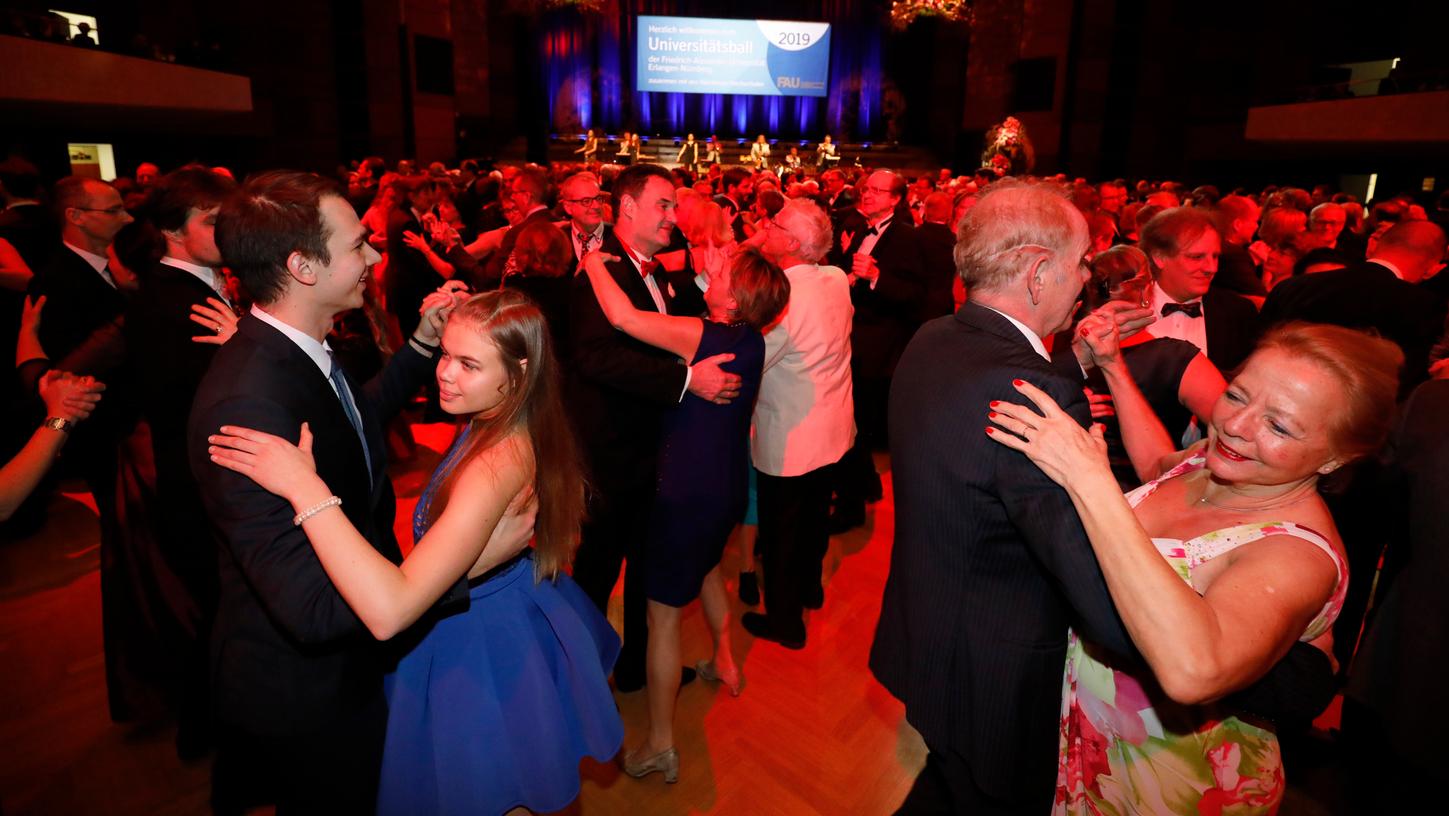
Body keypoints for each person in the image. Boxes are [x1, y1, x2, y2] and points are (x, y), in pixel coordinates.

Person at [207, 288, 623, 815]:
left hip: (482, 639)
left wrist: (303, 488)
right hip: (487, 612)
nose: (445, 373)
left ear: (518, 373)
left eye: (469, 364)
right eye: (446, 354)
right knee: (502, 783)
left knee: (494, 787)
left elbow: (388, 611)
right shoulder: (491, 419)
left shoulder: (495, 464)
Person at [985, 321, 1402, 814]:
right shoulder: (1212, 461)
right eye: (1236, 395)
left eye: (1279, 426)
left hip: (1173, 785)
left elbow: (1192, 671)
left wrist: (1090, 481)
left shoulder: (1296, 553)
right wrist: (1115, 368)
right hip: (1091, 748)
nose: (1237, 425)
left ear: (1336, 458)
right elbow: (1156, 466)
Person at [189, 171, 472, 814]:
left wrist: (421, 345)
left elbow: (352, 421)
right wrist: (464, 559)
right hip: (308, 690)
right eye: (357, 245)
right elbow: (310, 607)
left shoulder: (293, 348)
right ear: (303, 267)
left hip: (346, 665)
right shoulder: (247, 404)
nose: (373, 257)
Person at [580, 243, 787, 781]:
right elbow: (699, 297)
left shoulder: (706, 337)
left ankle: (660, 744)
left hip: (686, 493)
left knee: (662, 620)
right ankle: (724, 660)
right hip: (725, 486)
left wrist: (593, 262)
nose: (714, 271)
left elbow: (623, 317)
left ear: (735, 300)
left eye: (724, 273)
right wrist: (706, 275)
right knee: (710, 567)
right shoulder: (750, 338)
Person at [566, 163, 734, 693]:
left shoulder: (651, 270)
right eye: (663, 205)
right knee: (597, 572)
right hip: (611, 454)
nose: (673, 216)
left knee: (645, 564)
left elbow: (668, 321)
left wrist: (706, 283)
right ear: (627, 207)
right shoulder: (600, 272)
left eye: (674, 206)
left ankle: (637, 668)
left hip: (649, 452)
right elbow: (595, 357)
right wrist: (686, 380)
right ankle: (583, 682)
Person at [739, 199, 855, 649]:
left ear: (791, 243)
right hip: (834, 426)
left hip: (792, 436)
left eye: (775, 223)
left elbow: (753, 362)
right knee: (813, 521)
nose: (765, 226)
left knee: (782, 535)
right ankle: (810, 589)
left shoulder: (783, 299)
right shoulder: (836, 278)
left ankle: (786, 624)